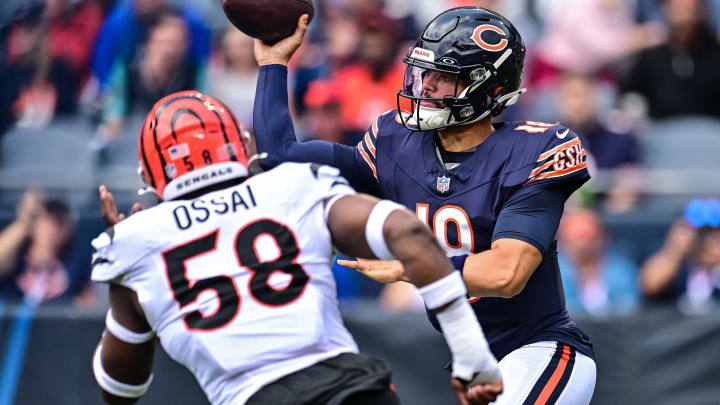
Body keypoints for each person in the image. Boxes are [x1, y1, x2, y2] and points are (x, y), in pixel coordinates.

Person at [253, 7, 596, 404]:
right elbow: (279, 156)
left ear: (489, 88)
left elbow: (506, 273)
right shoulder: (394, 141)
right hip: (478, 364)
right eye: (423, 73)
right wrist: (274, 64)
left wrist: (412, 268)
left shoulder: (534, 148)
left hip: (542, 349)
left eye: (444, 77)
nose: (427, 87)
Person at [90, 91, 503, 405]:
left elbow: (119, 390)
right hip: (353, 392)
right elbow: (409, 234)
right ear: (242, 144)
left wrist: (135, 270)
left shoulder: (136, 242)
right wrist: (470, 352)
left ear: (150, 175)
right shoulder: (294, 186)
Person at [639, 199, 720, 310]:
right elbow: (650, 286)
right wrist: (674, 252)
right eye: (703, 233)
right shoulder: (679, 264)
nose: (708, 242)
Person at [557, 209, 640, 317]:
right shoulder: (553, 273)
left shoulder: (621, 269)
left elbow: (630, 307)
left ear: (603, 238)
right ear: (562, 242)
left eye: (589, 237)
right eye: (574, 239)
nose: (582, 245)